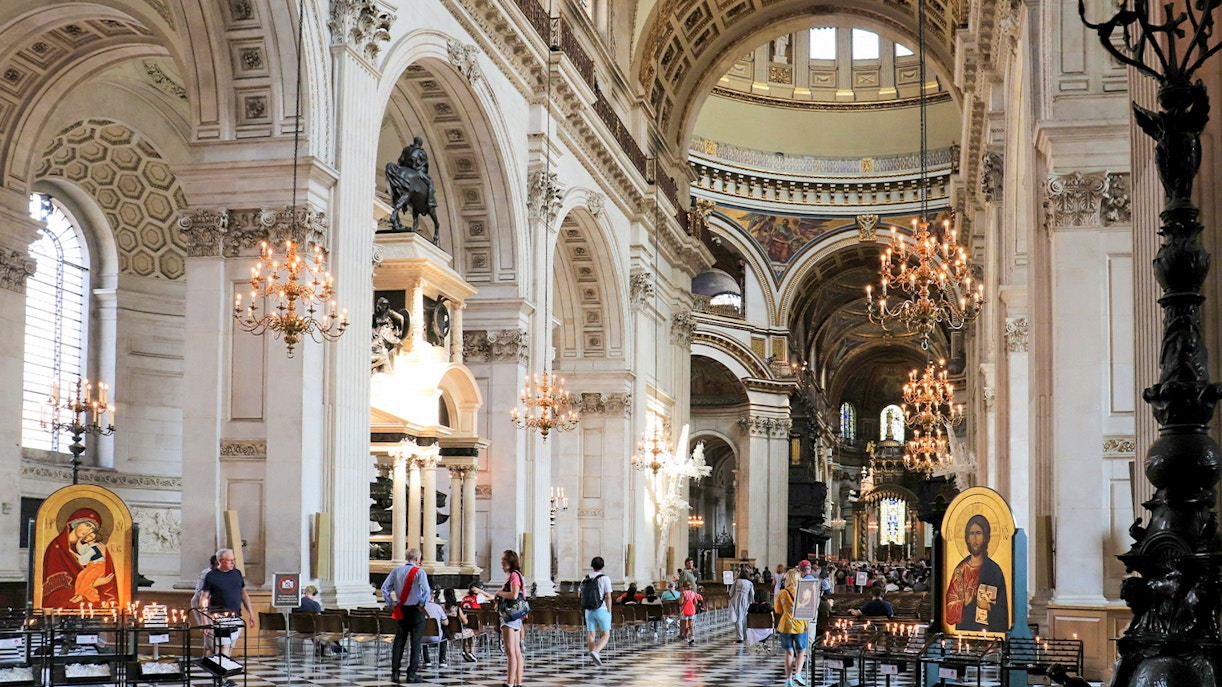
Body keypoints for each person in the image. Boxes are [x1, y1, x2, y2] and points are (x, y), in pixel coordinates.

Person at [40, 508, 119, 608]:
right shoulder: (57, 547)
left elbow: (107, 578)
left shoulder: (93, 547)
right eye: (87, 525)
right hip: (64, 605)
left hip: (90, 606)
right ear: (76, 522)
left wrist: (107, 558)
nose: (88, 531)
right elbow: (55, 590)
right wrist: (93, 584)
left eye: (92, 529)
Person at [200, 548, 254, 687]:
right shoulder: (211, 575)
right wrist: (205, 620)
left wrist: (251, 613)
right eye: (230, 560)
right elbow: (203, 598)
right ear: (220, 561)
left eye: (233, 560)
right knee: (222, 646)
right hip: (218, 617)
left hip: (235, 617)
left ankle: (222, 675)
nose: (233, 563)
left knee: (229, 646)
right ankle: (220, 677)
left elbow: (243, 594)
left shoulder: (237, 574)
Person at [946, 514, 1010, 632]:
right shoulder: (960, 571)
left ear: (985, 537)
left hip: (988, 631)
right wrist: (964, 603)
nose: (975, 539)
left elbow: (1004, 611)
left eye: (979, 533)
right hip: (964, 631)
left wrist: (988, 606)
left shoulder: (994, 570)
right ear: (967, 538)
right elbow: (949, 607)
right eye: (971, 534)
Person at [381, 547, 431, 684]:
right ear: (417, 559)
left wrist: (390, 602)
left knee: (399, 642)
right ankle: (412, 673)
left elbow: (385, 588)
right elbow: (426, 590)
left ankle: (395, 672)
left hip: (401, 609)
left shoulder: (396, 570)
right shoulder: (419, 572)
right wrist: (422, 604)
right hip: (415, 610)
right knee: (415, 643)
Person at [495, 550, 525, 687]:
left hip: (510, 616)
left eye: (504, 560)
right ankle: (517, 682)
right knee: (516, 651)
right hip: (515, 617)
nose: (501, 563)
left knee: (510, 650)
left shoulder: (514, 575)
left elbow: (513, 595)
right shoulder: (515, 575)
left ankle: (509, 683)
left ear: (510, 561)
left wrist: (499, 593)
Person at [774, 569, 809, 687]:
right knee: (801, 651)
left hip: (785, 625)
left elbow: (778, 610)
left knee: (788, 652)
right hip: (800, 624)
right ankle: (798, 674)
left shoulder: (781, 593)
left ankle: (788, 679)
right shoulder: (803, 592)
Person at [580, 556, 613, 665]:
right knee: (606, 634)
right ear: (602, 566)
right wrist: (609, 610)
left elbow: (580, 594)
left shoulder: (585, 577)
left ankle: (593, 657)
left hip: (589, 609)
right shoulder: (605, 578)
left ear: (592, 566)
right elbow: (608, 596)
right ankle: (596, 651)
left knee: (591, 634)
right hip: (601, 608)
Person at [296, 586, 345, 655]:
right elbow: (319, 618)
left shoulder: (297, 604)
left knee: (312, 628)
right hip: (313, 629)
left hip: (299, 629)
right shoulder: (315, 604)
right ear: (313, 594)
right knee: (326, 628)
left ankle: (322, 645)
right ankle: (335, 646)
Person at [442, 588, 477, 662]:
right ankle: (471, 651)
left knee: (464, 632)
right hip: (457, 633)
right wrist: (465, 617)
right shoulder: (457, 609)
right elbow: (466, 622)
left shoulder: (441, 607)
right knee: (470, 631)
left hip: (446, 632)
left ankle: (463, 651)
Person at [728, 565, 755, 643]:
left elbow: (731, 592)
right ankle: (745, 635)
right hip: (745, 601)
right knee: (744, 618)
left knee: (737, 618)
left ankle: (740, 636)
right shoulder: (749, 583)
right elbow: (752, 595)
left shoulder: (737, 581)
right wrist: (751, 602)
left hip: (736, 600)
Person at [420, 594, 448, 668]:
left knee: (423, 633)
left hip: (421, 638)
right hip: (436, 637)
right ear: (432, 598)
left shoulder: (419, 608)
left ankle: (427, 660)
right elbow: (446, 622)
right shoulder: (438, 607)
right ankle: (442, 660)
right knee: (445, 635)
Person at [679, 580, 699, 644]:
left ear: (684, 587)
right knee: (691, 624)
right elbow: (696, 602)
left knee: (686, 625)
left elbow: (681, 602)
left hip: (685, 610)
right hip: (691, 610)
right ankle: (692, 636)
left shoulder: (683, 593)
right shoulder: (692, 593)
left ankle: (686, 637)